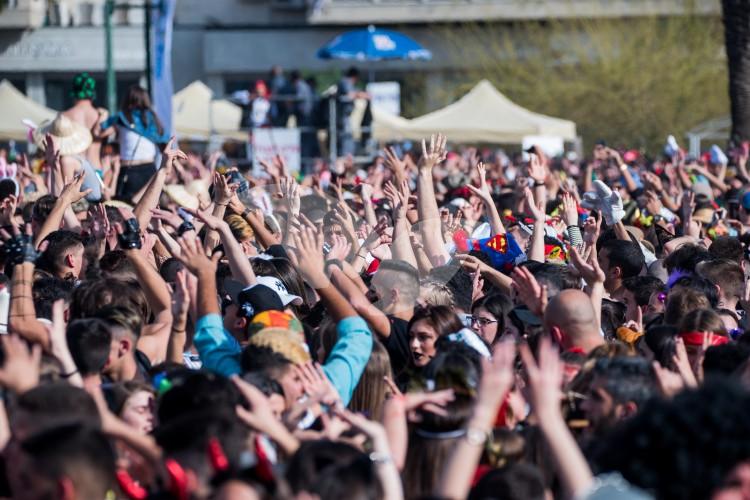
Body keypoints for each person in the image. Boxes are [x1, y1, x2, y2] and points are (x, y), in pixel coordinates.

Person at [100, 85, 170, 201]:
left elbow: (100, 132)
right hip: (150, 170)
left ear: (128, 99)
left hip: (129, 170)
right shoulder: (153, 119)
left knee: (126, 210)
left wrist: (102, 116)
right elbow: (164, 142)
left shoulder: (122, 118)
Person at [336, 67, 369, 156]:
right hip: (342, 116)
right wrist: (361, 95)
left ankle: (346, 157)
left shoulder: (347, 82)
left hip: (346, 116)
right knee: (346, 138)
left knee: (348, 137)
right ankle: (345, 159)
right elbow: (350, 94)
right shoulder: (345, 82)